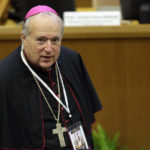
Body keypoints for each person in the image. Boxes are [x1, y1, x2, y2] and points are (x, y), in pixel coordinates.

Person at [0, 5, 102, 150]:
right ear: (24, 38)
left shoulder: (72, 59)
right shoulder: (4, 77)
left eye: (55, 40)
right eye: (41, 40)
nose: (49, 49)